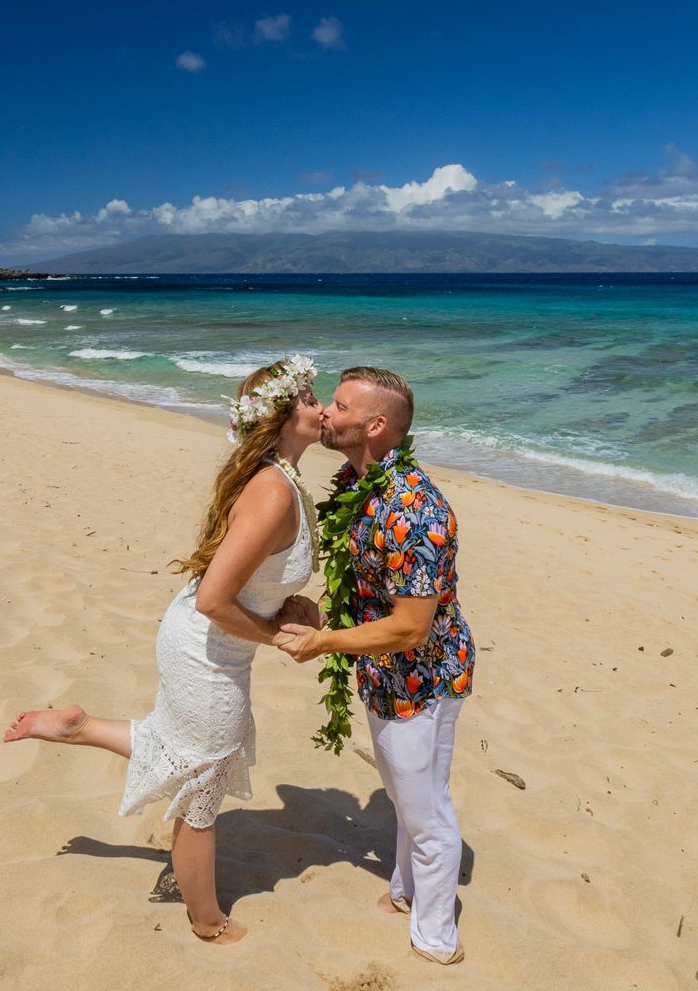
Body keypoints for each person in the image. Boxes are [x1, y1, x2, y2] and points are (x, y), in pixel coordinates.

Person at [2, 356, 322, 945]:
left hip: (214, 643)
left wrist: (288, 610)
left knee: (187, 749)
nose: (321, 408)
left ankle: (78, 728)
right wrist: (277, 636)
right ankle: (207, 921)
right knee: (203, 781)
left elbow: (248, 580)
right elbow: (214, 601)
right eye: (308, 399)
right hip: (205, 647)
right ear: (279, 418)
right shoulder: (273, 491)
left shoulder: (285, 478)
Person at [277, 366, 475, 965]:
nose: (327, 415)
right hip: (386, 672)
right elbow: (371, 588)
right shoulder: (357, 481)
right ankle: (403, 890)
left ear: (375, 425)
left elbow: (412, 625)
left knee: (425, 809)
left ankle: (436, 938)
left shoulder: (415, 510)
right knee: (405, 791)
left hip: (424, 676)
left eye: (339, 407)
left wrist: (325, 642)